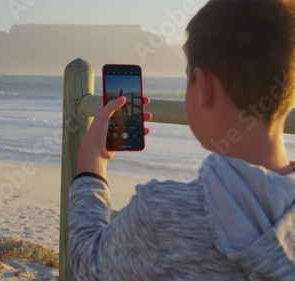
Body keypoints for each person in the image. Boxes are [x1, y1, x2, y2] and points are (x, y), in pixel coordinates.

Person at [68, 0, 295, 280]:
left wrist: (92, 162)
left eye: (189, 79)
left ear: (205, 87)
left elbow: (87, 263)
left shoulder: (162, 214)